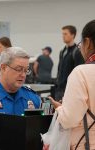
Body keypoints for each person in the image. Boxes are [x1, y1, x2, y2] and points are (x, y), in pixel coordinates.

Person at [43, 20, 95, 150]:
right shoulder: (63, 52)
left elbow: (69, 119)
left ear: (87, 43)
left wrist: (61, 109)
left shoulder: (81, 72)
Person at [55, 25, 84, 100]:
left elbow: (78, 71)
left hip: (70, 90)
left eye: (65, 34)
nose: (63, 36)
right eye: (62, 34)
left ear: (72, 35)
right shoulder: (62, 51)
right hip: (59, 89)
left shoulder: (77, 51)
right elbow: (59, 69)